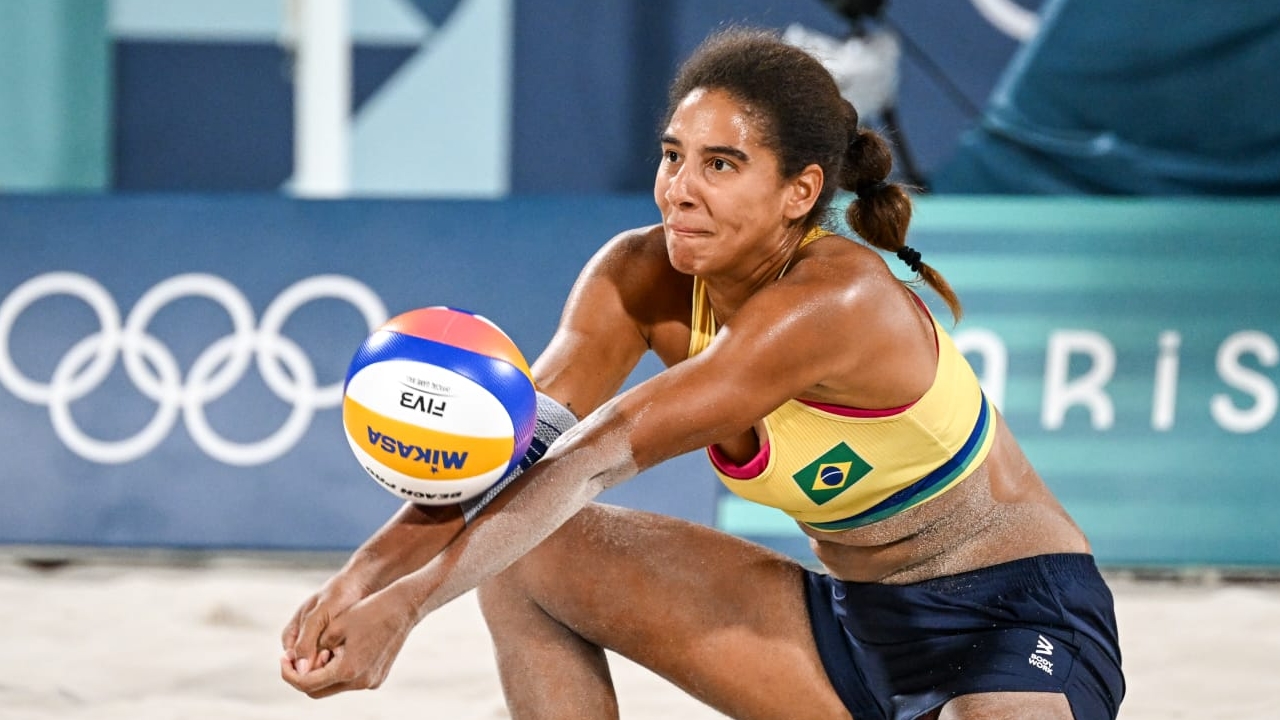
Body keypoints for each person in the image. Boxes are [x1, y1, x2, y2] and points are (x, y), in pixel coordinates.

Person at [281, 26, 1125, 720]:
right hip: (848, 628)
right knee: (521, 537)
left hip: (1018, 616)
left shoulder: (833, 300)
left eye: (721, 165)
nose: (679, 189)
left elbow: (599, 454)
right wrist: (358, 580)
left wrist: (410, 606)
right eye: (673, 155)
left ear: (800, 193)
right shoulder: (636, 275)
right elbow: (512, 456)